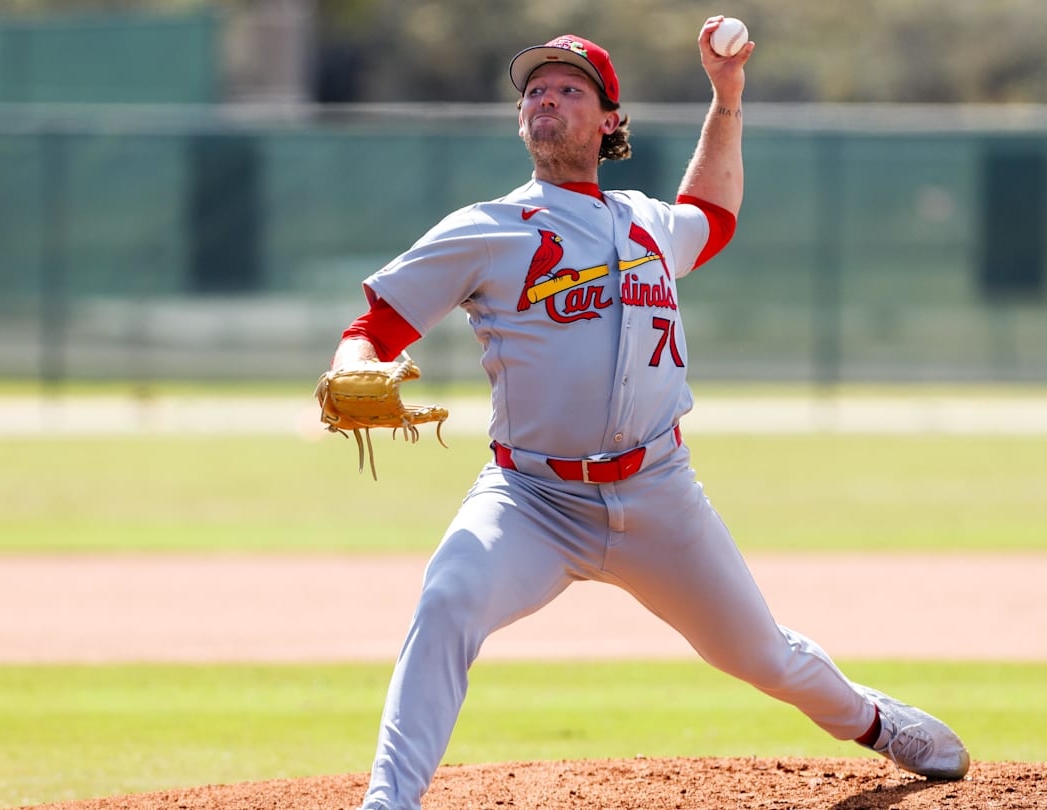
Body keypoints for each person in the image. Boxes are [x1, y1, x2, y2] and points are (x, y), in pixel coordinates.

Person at [329, 18, 970, 810]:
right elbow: (372, 331)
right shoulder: (485, 230)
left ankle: (876, 722)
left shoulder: (647, 222)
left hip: (659, 490)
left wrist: (726, 95)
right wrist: (352, 370)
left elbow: (716, 211)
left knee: (761, 655)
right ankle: (388, 802)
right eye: (535, 89)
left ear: (609, 122)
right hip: (532, 499)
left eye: (570, 89)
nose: (546, 98)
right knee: (448, 600)